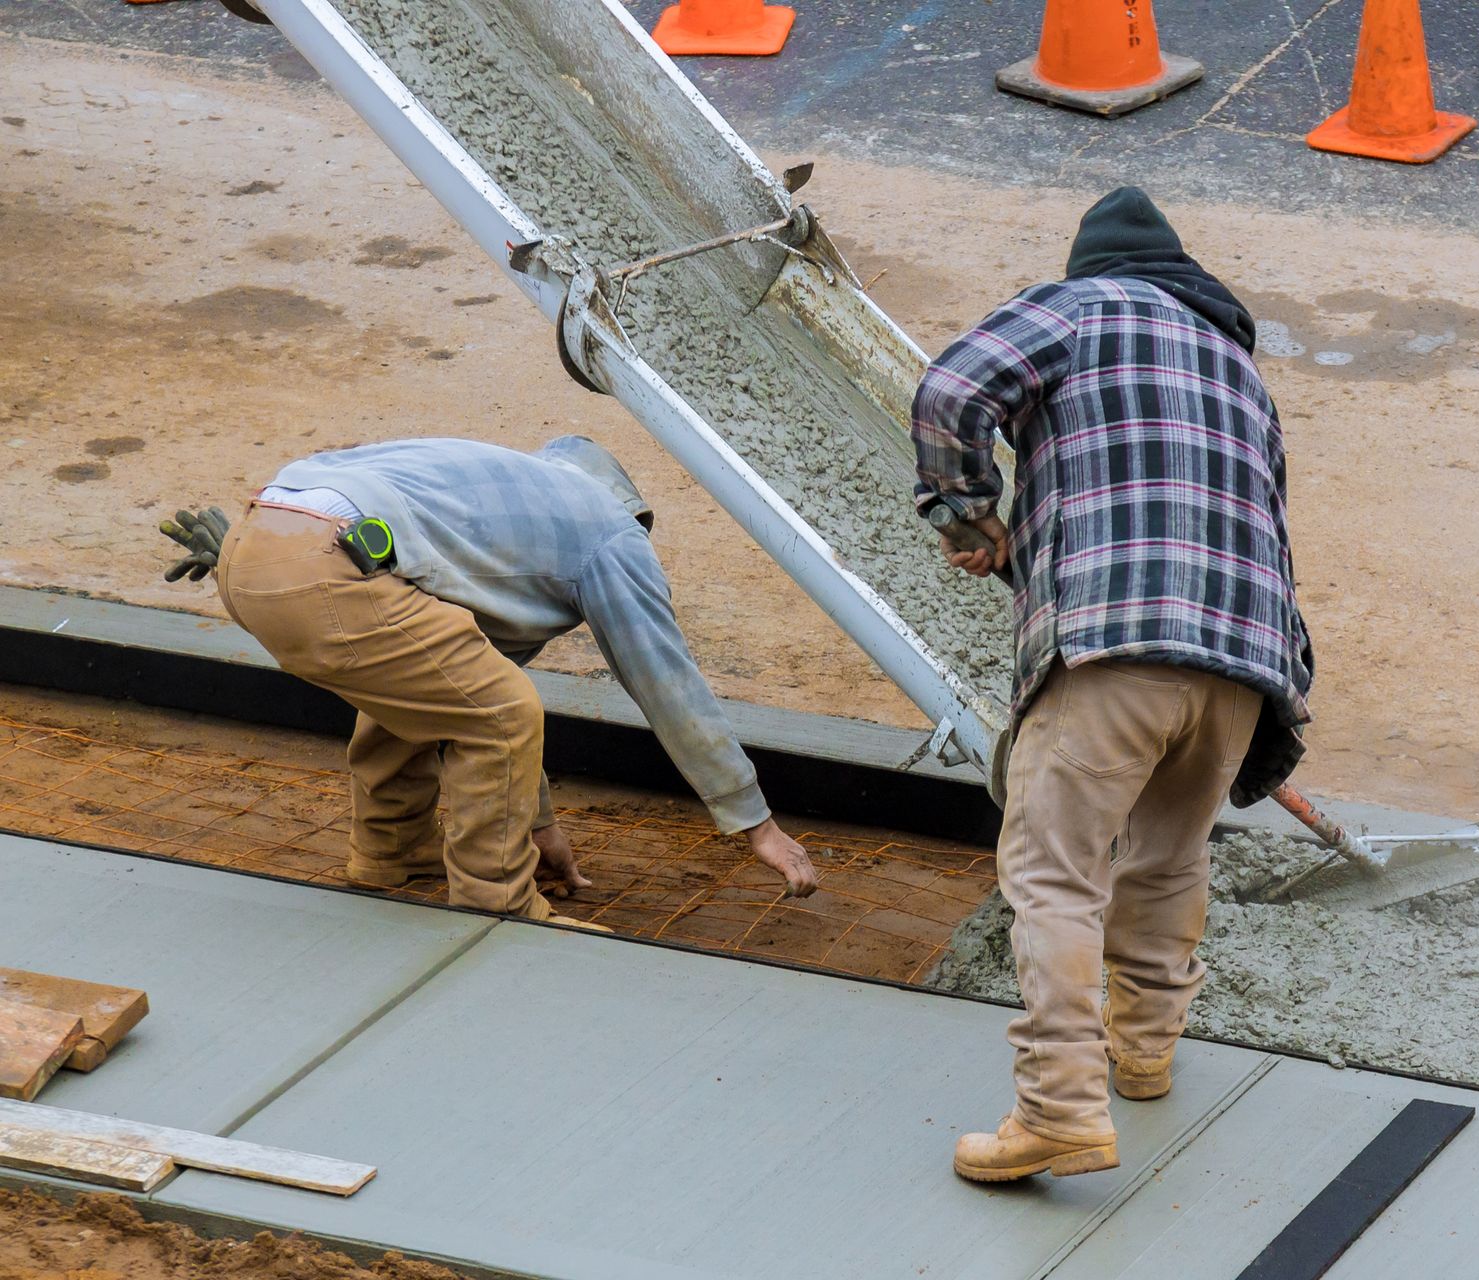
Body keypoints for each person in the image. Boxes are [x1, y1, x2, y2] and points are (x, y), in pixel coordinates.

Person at [913, 188, 1312, 1182]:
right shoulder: (1240, 374)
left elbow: (952, 390)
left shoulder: (1077, 306)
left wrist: (968, 515)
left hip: (1111, 647)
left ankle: (1057, 1108)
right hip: (1238, 669)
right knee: (1168, 860)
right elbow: (1267, 530)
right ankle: (1143, 1054)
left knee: (1053, 872)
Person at [161, 435, 816, 927]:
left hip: (249, 542)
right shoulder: (611, 534)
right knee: (504, 716)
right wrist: (753, 820)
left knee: (419, 684)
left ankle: (392, 852)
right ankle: (494, 901)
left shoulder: (489, 498)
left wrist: (535, 823)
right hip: (331, 560)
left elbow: (461, 676)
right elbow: (667, 683)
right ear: (631, 510)